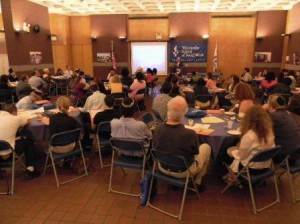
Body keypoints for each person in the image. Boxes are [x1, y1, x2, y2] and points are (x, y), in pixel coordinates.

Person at [153, 96, 211, 190]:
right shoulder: (190, 134)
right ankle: (197, 182)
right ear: (184, 114)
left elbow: (155, 147)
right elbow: (196, 153)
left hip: (162, 167)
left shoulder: (157, 129)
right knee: (206, 147)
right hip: (183, 171)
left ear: (168, 111)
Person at [225, 106, 275, 180]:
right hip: (265, 165)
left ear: (248, 119)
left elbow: (241, 156)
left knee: (227, 151)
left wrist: (238, 148)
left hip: (251, 169)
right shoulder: (270, 131)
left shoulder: (250, 135)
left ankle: (229, 175)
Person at [0, 104, 39, 179]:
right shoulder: (16, 118)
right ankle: (30, 169)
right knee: (28, 139)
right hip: (7, 153)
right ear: (14, 112)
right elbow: (26, 122)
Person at [263, 95, 300, 163]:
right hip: (296, 153)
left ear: (270, 105)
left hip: (284, 156)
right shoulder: (286, 113)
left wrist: (262, 110)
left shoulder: (273, 116)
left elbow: (259, 125)